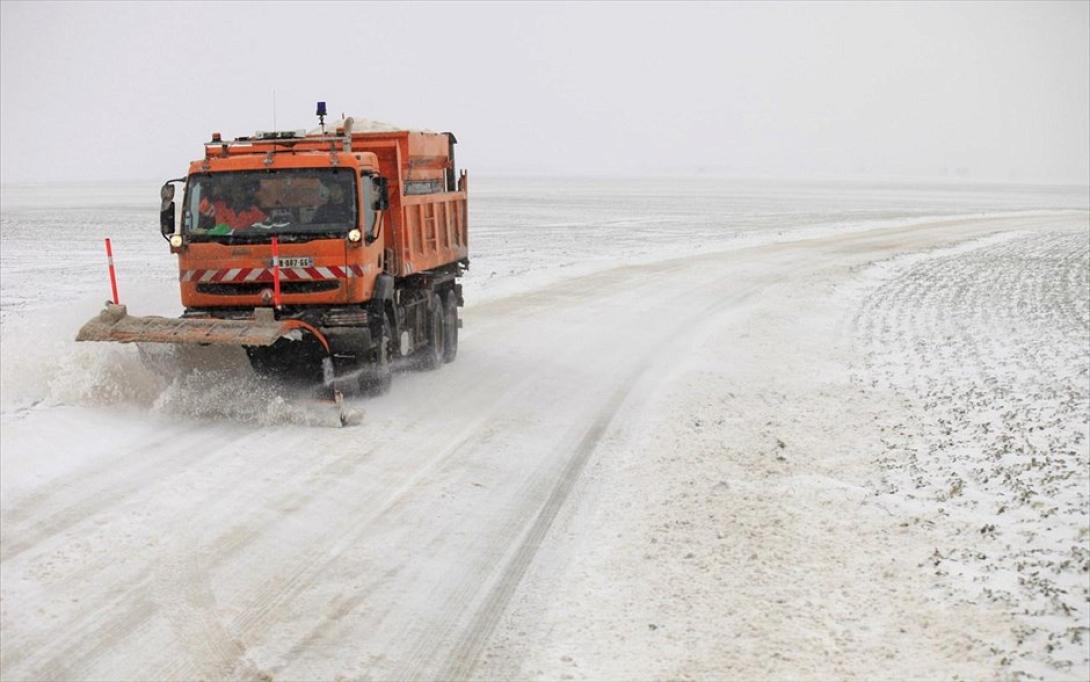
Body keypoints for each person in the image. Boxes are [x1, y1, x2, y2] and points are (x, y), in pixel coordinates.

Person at [198, 179, 267, 232]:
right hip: (223, 242)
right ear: (230, 194)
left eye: (240, 192)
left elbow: (265, 226)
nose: (238, 195)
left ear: (244, 194)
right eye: (235, 192)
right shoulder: (219, 207)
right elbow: (203, 208)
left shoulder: (254, 211)